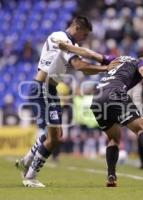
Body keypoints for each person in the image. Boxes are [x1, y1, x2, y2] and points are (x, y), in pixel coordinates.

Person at [54, 42, 143, 187]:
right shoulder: (141, 62)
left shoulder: (118, 59)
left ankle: (111, 176)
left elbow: (91, 54)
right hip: (115, 93)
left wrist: (69, 48)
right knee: (142, 129)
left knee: (114, 139)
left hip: (97, 99)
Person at [15, 16, 114, 187]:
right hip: (43, 88)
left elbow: (83, 60)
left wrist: (103, 63)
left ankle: (27, 161)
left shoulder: (66, 42)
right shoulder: (61, 39)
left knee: (55, 135)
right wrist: (105, 67)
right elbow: (81, 66)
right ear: (76, 28)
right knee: (55, 138)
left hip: (49, 90)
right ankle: (30, 177)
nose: (84, 39)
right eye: (84, 35)